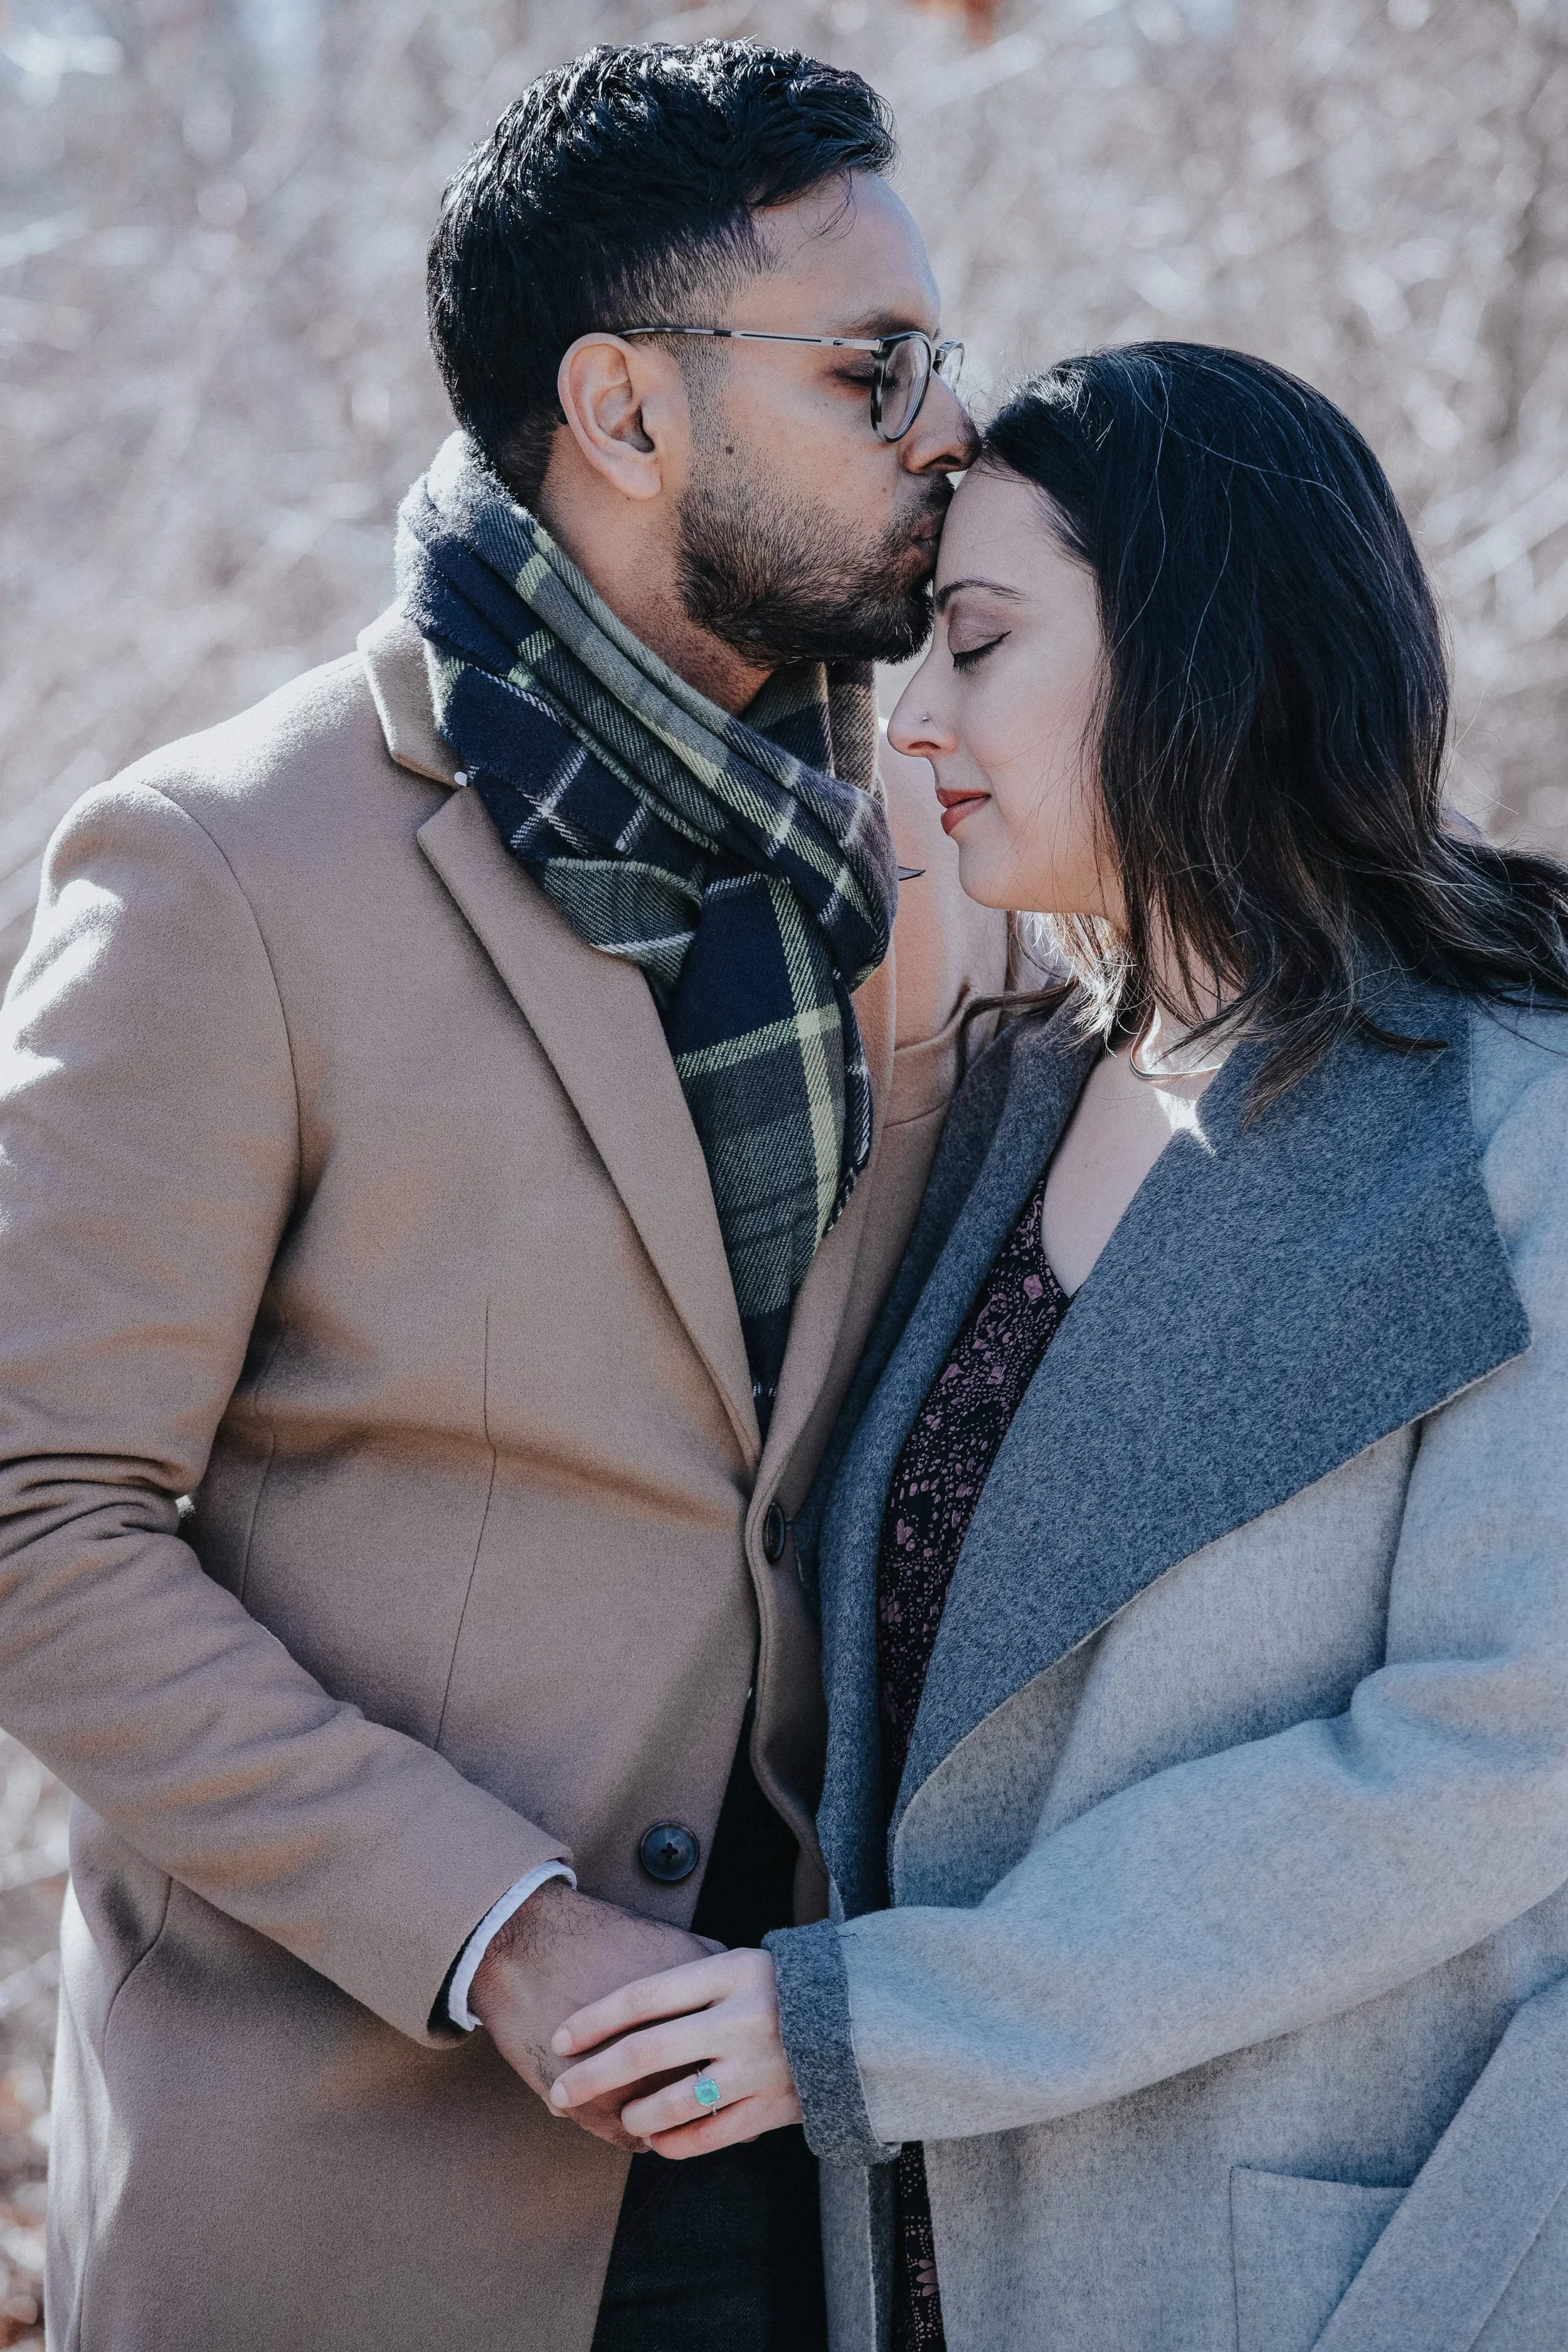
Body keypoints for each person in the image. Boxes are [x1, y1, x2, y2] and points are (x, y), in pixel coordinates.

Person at [0, 40, 1002, 2352]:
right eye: (876, 368)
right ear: (626, 409)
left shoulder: (931, 845)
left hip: (856, 2167)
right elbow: (42, 1516)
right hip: (376, 2179)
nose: (947, 425)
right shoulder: (220, 871)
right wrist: (506, 1926)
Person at [544, 343, 1568, 2352]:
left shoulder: (1509, 1116)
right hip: (918, 2246)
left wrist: (883, 2022)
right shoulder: (1004, 1095)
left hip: (1296, 2252)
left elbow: (1492, 1752)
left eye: (980, 642)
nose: (913, 716)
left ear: (1198, 651)